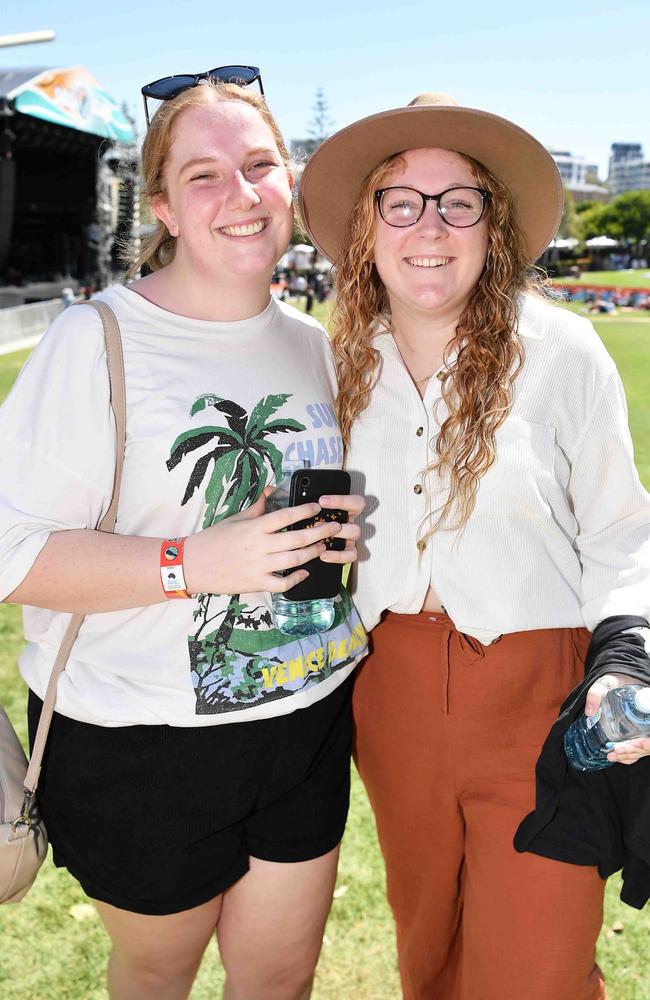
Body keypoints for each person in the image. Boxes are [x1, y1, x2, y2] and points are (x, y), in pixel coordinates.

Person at [0, 73, 367, 1000]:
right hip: (138, 744)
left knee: (281, 976)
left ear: (291, 181)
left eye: (258, 165)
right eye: (204, 175)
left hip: (307, 714)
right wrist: (193, 564)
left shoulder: (313, 342)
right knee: (159, 974)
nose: (241, 196)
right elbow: (8, 551)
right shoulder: (96, 341)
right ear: (161, 204)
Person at [299, 93, 650, 1000]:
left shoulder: (565, 352)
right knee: (433, 949)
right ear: (366, 224)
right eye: (400, 200)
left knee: (538, 964)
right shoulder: (329, 361)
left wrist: (627, 659)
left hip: (540, 694)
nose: (430, 225)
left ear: (491, 223)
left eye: (459, 200)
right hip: (387, 695)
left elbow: (621, 528)